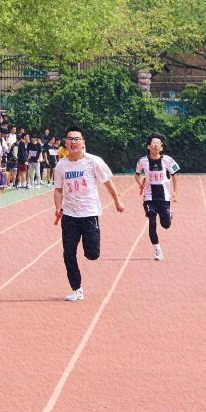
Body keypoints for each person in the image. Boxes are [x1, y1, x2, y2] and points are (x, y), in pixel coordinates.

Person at [54, 126, 124, 301]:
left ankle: (90, 249)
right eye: (70, 139)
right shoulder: (61, 165)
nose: (73, 142)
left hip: (89, 213)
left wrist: (117, 201)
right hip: (69, 215)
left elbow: (108, 183)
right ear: (65, 143)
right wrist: (57, 206)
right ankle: (77, 289)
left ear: (83, 142)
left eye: (77, 139)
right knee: (68, 253)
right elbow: (58, 190)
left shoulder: (94, 161)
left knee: (92, 254)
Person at [135, 133, 180, 261]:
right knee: (152, 221)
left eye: (158, 143)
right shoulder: (142, 161)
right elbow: (137, 174)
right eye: (153, 143)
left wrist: (175, 192)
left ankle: (168, 214)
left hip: (164, 197)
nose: (156, 145)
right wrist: (140, 184)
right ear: (148, 146)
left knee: (166, 224)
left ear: (161, 147)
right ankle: (158, 250)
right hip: (149, 197)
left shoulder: (168, 160)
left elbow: (174, 175)